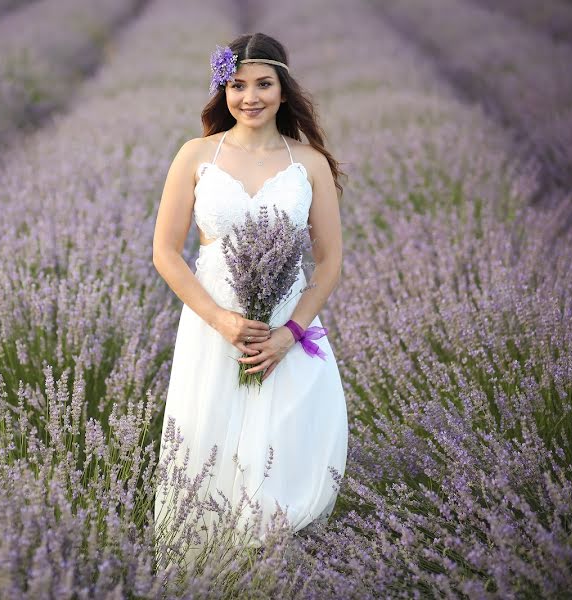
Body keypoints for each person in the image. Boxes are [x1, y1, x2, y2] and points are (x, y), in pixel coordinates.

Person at [151, 33, 348, 571]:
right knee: (209, 445)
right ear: (224, 89)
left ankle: (277, 572)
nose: (250, 96)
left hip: (287, 329)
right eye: (237, 85)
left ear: (284, 90)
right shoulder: (196, 155)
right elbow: (165, 253)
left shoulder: (308, 163)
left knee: (284, 453)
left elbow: (329, 262)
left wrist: (291, 334)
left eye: (264, 84)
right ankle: (207, 573)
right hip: (212, 330)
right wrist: (220, 320)